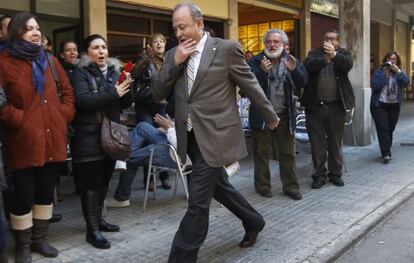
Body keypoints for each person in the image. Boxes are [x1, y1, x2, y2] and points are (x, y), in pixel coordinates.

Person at [151, 3, 279, 262]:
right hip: (190, 139)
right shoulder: (173, 54)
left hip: (217, 137)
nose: (179, 32)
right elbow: (156, 93)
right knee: (219, 187)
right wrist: (174, 63)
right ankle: (254, 220)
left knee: (197, 204)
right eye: (175, 28)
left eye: (183, 26)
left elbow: (250, 84)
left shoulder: (226, 49)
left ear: (199, 24)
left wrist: (270, 115)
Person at [0, 12, 75, 262]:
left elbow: (67, 93)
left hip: (53, 138)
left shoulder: (51, 60)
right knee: (23, 195)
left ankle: (39, 240)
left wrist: (62, 115)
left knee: (45, 192)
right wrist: (20, 120)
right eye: (29, 28)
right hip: (22, 141)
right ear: (16, 32)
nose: (36, 32)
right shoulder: (3, 62)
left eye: (38, 28)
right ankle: (22, 245)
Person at [70, 34, 133, 249]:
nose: (101, 51)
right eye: (96, 48)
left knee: (105, 181)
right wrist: (113, 92)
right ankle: (92, 230)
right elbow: (84, 102)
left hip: (110, 136)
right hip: (88, 136)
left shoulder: (115, 72)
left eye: (104, 47)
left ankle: (99, 220)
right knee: (91, 185)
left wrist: (127, 87)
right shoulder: (79, 73)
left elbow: (125, 103)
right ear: (87, 52)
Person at [248, 29, 308, 200]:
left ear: (283, 44)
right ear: (264, 44)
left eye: (276, 42)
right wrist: (261, 72)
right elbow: (246, 86)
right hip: (262, 116)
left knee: (287, 153)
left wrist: (295, 70)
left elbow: (303, 82)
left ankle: (291, 187)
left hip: (285, 115)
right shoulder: (256, 61)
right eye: (269, 42)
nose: (272, 45)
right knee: (262, 153)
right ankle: (263, 187)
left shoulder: (291, 60)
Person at [302, 29, 355, 189]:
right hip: (315, 106)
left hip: (336, 107)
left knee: (334, 143)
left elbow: (347, 65)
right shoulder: (314, 54)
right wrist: (326, 58)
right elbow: (307, 67)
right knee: (317, 144)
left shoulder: (344, 54)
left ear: (338, 42)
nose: (330, 41)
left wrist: (334, 56)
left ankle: (335, 174)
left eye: (333, 39)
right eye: (326, 38)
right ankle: (319, 175)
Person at [131, 33, 171, 191]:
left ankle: (164, 176)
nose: (159, 44)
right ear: (150, 46)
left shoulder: (170, 61)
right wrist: (145, 59)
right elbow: (135, 79)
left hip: (163, 105)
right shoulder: (146, 61)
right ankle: (149, 179)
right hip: (146, 106)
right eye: (155, 42)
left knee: (163, 139)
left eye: (161, 41)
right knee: (148, 140)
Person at [371, 51, 409, 163]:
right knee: (384, 129)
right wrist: (385, 75)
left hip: (394, 105)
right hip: (379, 105)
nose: (392, 61)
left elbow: (406, 83)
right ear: (386, 60)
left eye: (394, 59)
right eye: (390, 58)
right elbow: (375, 86)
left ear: (397, 61)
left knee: (390, 129)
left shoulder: (399, 72)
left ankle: (386, 149)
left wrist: (398, 72)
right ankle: (386, 153)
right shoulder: (379, 71)